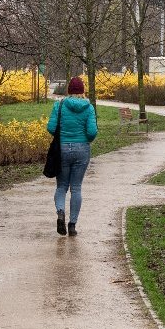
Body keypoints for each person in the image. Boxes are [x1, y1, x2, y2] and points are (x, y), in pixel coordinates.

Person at [47, 76, 98, 236]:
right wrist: (84, 140)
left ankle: (61, 212)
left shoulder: (60, 105)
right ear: (83, 91)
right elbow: (92, 132)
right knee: (76, 188)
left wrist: (63, 135)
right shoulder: (89, 108)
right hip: (82, 149)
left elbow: (50, 127)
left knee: (61, 187)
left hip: (62, 150)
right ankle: (72, 225)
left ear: (69, 90)